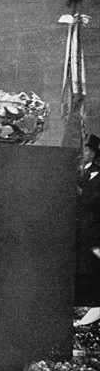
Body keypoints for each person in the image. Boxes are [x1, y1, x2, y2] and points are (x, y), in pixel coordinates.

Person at [76, 134, 100, 323]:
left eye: (87, 149)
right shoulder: (83, 171)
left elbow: (93, 201)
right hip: (81, 229)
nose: (84, 153)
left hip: (92, 230)